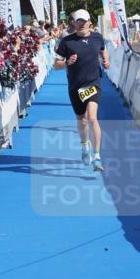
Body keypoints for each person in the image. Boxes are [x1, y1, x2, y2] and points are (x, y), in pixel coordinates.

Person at [54, 10, 109, 171]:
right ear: (74, 23)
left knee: (92, 118)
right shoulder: (67, 42)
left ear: (90, 22)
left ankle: (97, 157)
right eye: (79, 21)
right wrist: (67, 63)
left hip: (93, 83)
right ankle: (85, 146)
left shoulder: (97, 37)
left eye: (84, 20)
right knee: (82, 120)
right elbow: (56, 65)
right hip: (75, 86)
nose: (82, 23)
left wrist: (106, 60)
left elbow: (103, 49)